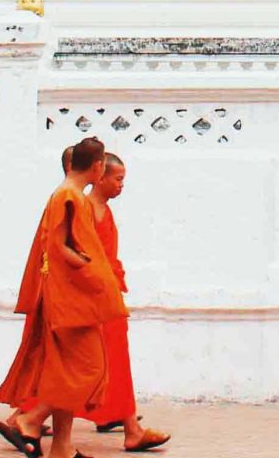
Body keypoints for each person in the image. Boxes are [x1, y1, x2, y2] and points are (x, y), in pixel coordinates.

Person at [0, 137, 126, 458]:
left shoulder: (71, 195)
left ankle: (62, 449)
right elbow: (59, 246)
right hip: (70, 301)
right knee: (89, 369)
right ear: (97, 167)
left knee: (63, 373)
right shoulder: (67, 196)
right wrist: (90, 268)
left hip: (72, 300)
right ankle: (30, 418)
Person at [82, 154, 171, 452]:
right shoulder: (88, 209)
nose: (122, 185)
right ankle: (131, 429)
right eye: (118, 179)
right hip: (98, 298)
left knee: (99, 362)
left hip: (106, 292)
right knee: (106, 361)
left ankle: (27, 416)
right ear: (101, 176)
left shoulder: (99, 209)